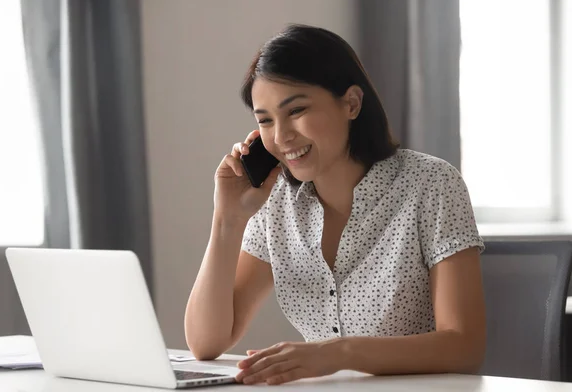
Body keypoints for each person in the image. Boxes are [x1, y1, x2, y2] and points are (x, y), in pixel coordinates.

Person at [184, 23, 486, 386]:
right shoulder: (277, 204)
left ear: (352, 104)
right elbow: (206, 343)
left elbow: (464, 346)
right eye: (265, 121)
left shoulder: (432, 184)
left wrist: (337, 353)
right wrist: (227, 218)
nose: (280, 137)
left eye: (296, 111)